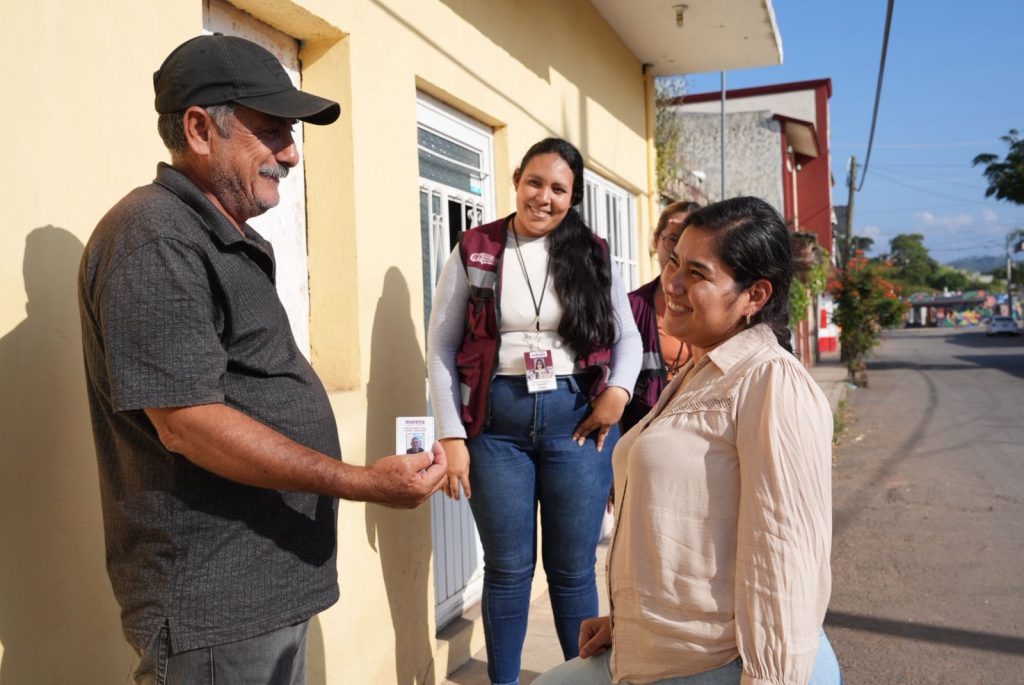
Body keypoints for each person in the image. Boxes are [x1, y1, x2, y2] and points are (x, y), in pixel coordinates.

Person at [77, 34, 446, 684]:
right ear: (200, 129)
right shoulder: (155, 238)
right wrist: (362, 482)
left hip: (258, 595)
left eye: (290, 135)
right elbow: (188, 424)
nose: (291, 153)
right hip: (215, 608)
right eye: (272, 132)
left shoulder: (215, 234)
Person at [534, 196, 842, 685]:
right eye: (674, 262)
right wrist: (625, 621)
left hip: (724, 664)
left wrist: (770, 676)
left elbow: (785, 554)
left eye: (697, 274)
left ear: (755, 295)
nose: (671, 283)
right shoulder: (702, 373)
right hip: (655, 651)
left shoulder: (770, 382)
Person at [427, 138, 642, 685]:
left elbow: (628, 339)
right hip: (495, 427)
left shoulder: (592, 253)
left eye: (558, 189)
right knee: (507, 570)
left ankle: (580, 680)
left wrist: (617, 393)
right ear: (517, 179)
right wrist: (452, 436)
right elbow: (442, 345)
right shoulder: (476, 248)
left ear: (573, 197)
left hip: (579, 424)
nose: (544, 197)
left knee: (572, 572)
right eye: (535, 183)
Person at [620, 200, 700, 433]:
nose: (679, 250)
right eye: (673, 238)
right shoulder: (631, 307)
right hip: (642, 428)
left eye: (688, 239)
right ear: (656, 240)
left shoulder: (715, 306)